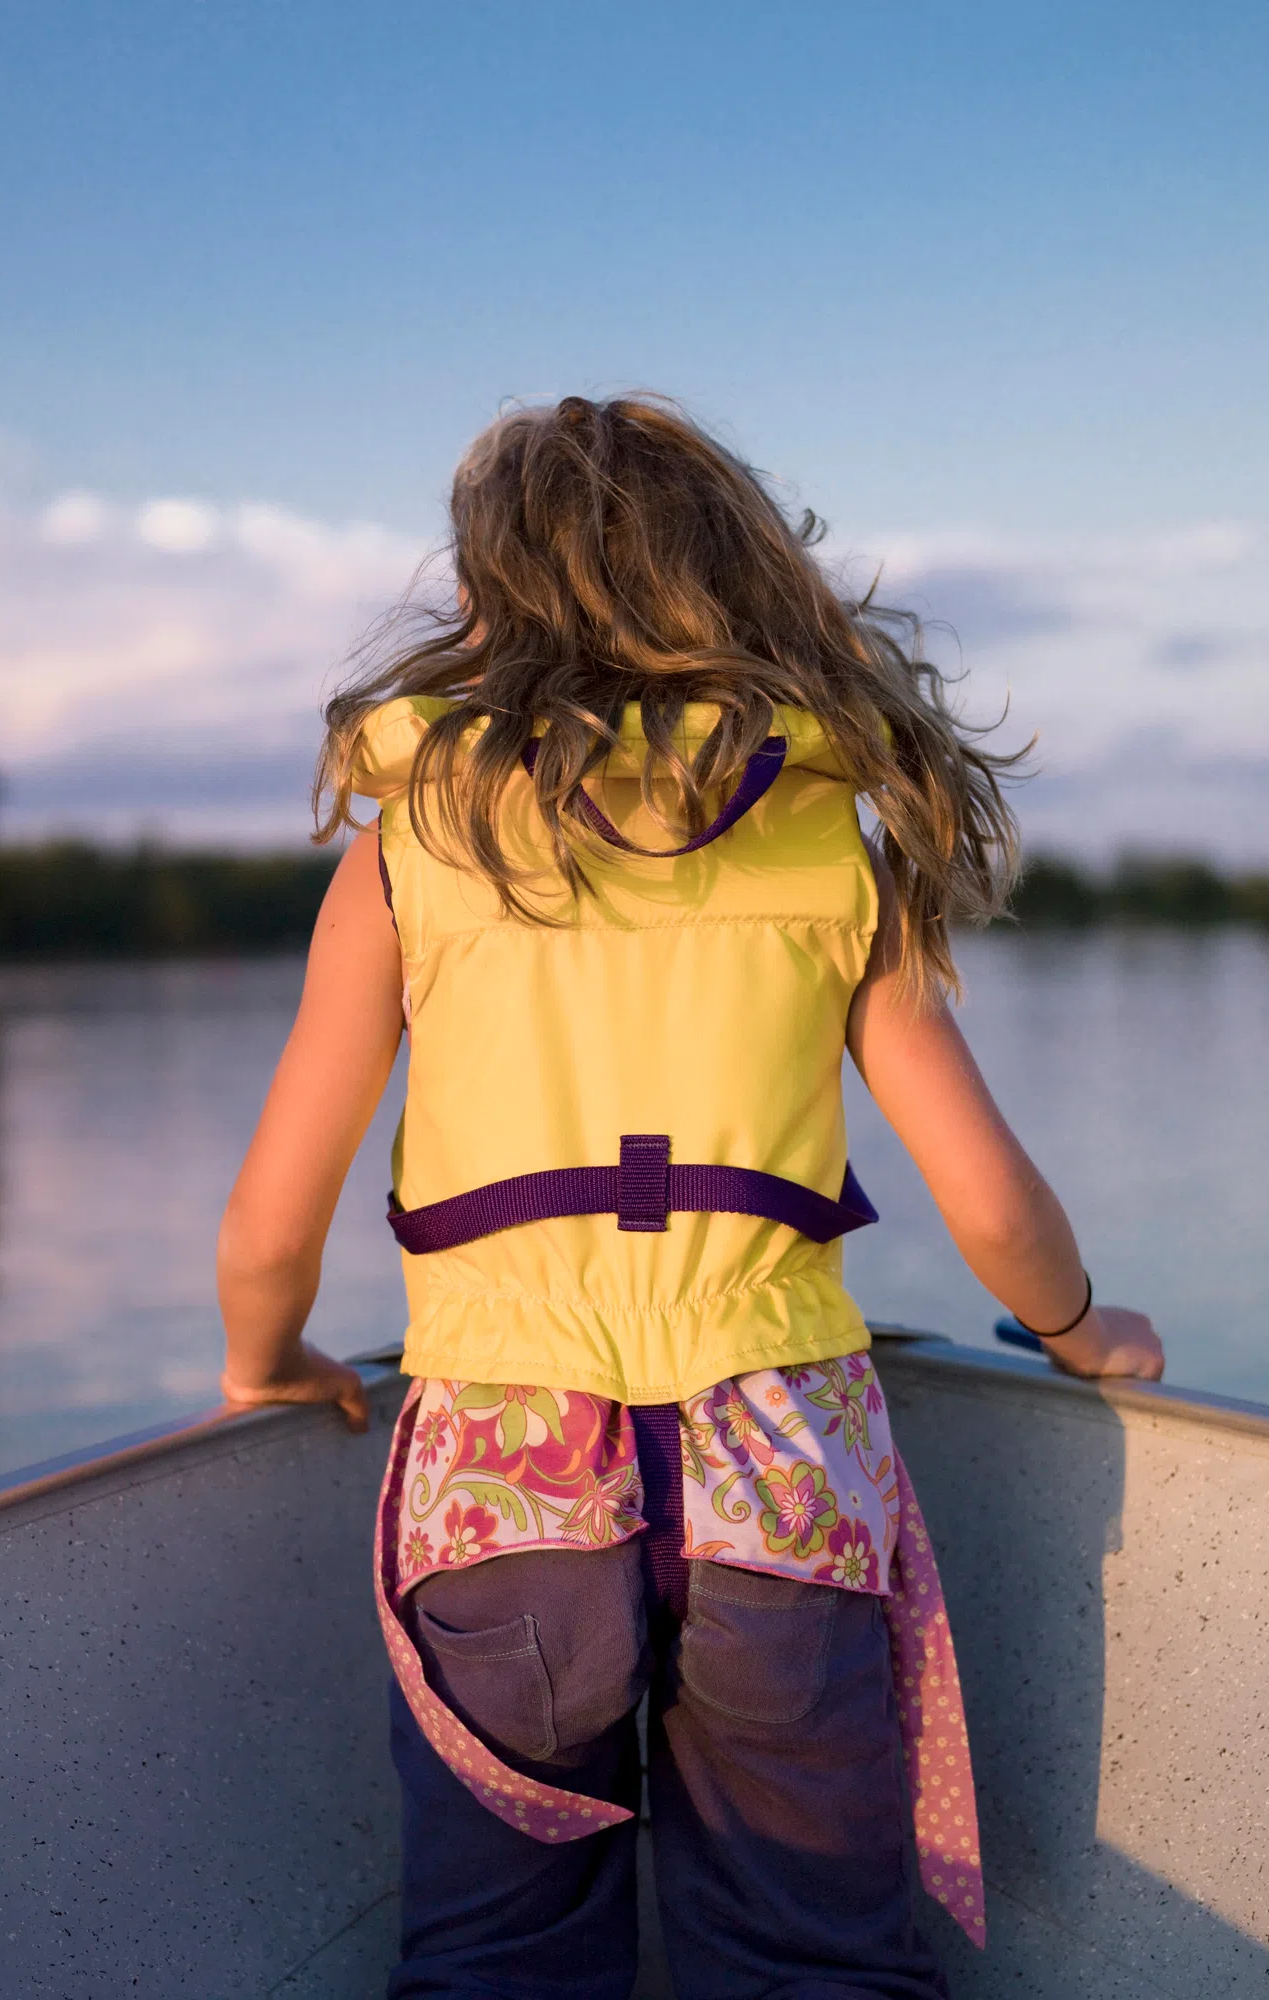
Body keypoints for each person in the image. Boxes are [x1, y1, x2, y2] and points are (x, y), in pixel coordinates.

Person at [217, 395, 1163, 2000]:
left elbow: (268, 1227)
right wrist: (1080, 1329)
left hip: (506, 1474)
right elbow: (995, 1204)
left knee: (495, 1961)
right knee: (812, 1960)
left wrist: (267, 1361)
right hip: (779, 1467)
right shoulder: (825, 844)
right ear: (733, 584)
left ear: (490, 601)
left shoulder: (411, 846)